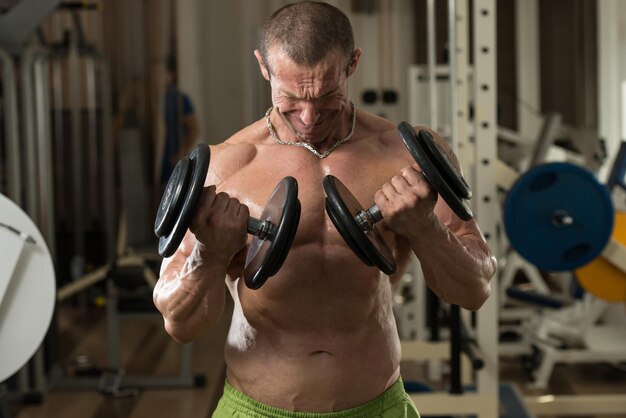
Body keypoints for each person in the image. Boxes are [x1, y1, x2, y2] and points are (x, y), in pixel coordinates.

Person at [153, 2, 497, 417]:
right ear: (264, 67)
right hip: (256, 408)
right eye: (292, 99)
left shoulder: (407, 157)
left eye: (327, 97)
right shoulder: (224, 168)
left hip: (378, 406)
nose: (310, 117)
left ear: (353, 63)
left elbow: (475, 290)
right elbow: (179, 325)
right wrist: (212, 252)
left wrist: (425, 228)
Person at [159, 55, 199, 185]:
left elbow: (194, 130)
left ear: (170, 75)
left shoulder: (179, 99)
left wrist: (180, 155)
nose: (156, 77)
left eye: (160, 73)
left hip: (172, 162)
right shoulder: (151, 100)